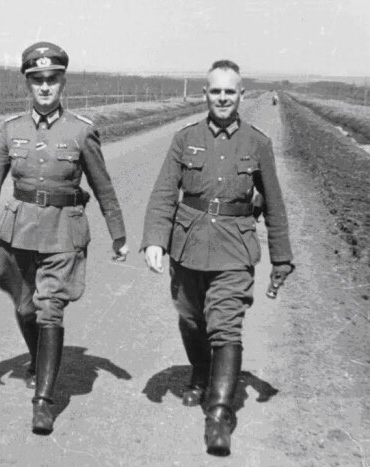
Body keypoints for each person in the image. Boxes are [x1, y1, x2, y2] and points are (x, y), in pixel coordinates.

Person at [0, 41, 129, 435]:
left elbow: (103, 188)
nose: (45, 87)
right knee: (25, 308)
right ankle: (38, 360)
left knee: (49, 307)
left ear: (63, 82)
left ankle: (43, 402)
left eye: (52, 79)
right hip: (17, 231)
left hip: (63, 231)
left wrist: (118, 235)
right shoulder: (10, 130)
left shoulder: (82, 131)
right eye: (38, 80)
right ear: (28, 84)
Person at [140, 59, 294, 456]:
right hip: (188, 246)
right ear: (205, 94)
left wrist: (281, 258)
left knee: (225, 326)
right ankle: (200, 373)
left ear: (241, 95)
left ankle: (220, 414)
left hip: (234, 249)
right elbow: (164, 193)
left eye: (229, 91)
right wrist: (155, 240)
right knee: (192, 319)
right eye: (216, 91)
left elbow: (274, 205)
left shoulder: (258, 143)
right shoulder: (185, 138)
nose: (222, 98)